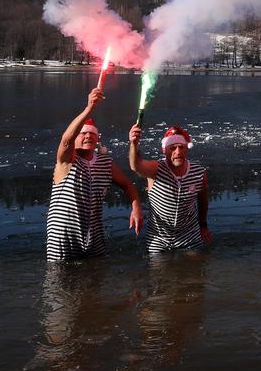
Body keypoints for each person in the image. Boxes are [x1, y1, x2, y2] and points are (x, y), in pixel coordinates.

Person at [47, 86, 142, 262]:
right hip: (64, 233)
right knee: (59, 281)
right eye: (82, 134)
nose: (87, 136)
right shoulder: (67, 160)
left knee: (95, 276)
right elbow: (66, 140)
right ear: (76, 138)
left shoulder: (105, 163)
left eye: (92, 134)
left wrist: (136, 208)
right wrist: (89, 109)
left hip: (93, 232)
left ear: (98, 139)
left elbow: (128, 185)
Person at [127, 123, 212, 253]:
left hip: (189, 235)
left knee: (196, 269)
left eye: (181, 147)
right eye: (172, 148)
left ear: (186, 149)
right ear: (164, 150)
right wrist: (133, 144)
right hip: (159, 237)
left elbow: (203, 201)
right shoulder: (156, 169)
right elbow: (136, 166)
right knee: (158, 271)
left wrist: (203, 225)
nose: (177, 152)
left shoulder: (199, 173)